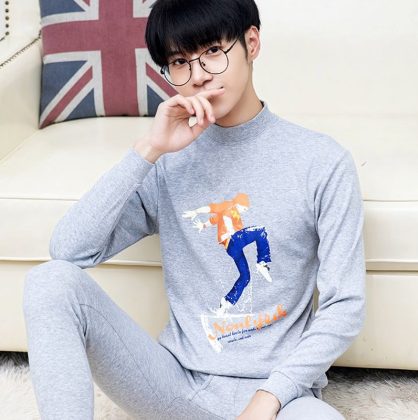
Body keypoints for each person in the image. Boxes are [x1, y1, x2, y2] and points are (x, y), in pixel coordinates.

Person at [23, 0, 365, 419]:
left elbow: (345, 305)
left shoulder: (322, 162)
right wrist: (148, 150)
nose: (199, 75)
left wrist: (270, 397)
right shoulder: (169, 161)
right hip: (175, 389)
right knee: (48, 281)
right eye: (180, 62)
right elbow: (68, 250)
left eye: (213, 52)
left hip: (279, 401)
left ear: (252, 43)